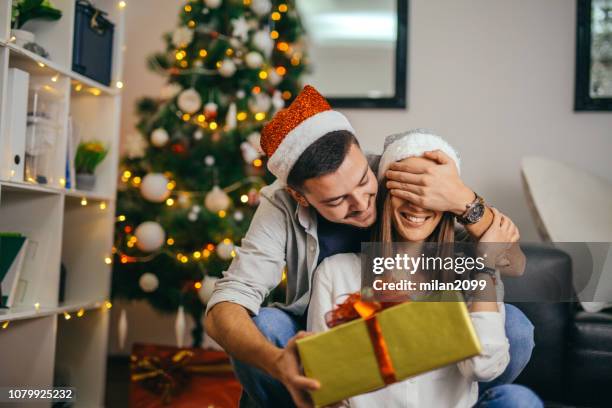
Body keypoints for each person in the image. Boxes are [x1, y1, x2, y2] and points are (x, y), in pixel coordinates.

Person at [204, 85, 534, 407]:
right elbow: (226, 306)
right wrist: (280, 365)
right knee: (266, 328)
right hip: (320, 334)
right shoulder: (284, 208)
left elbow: (514, 263)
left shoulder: (400, 175)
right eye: (337, 200)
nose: (362, 204)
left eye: (364, 180)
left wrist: (465, 200)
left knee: (514, 328)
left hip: (443, 358)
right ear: (300, 196)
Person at [307, 130, 542, 407]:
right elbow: (324, 388)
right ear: (385, 193)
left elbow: (484, 367)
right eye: (407, 187)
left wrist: (486, 266)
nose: (417, 202)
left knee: (518, 400)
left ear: (449, 204)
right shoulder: (336, 273)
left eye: (432, 193)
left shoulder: (470, 270)